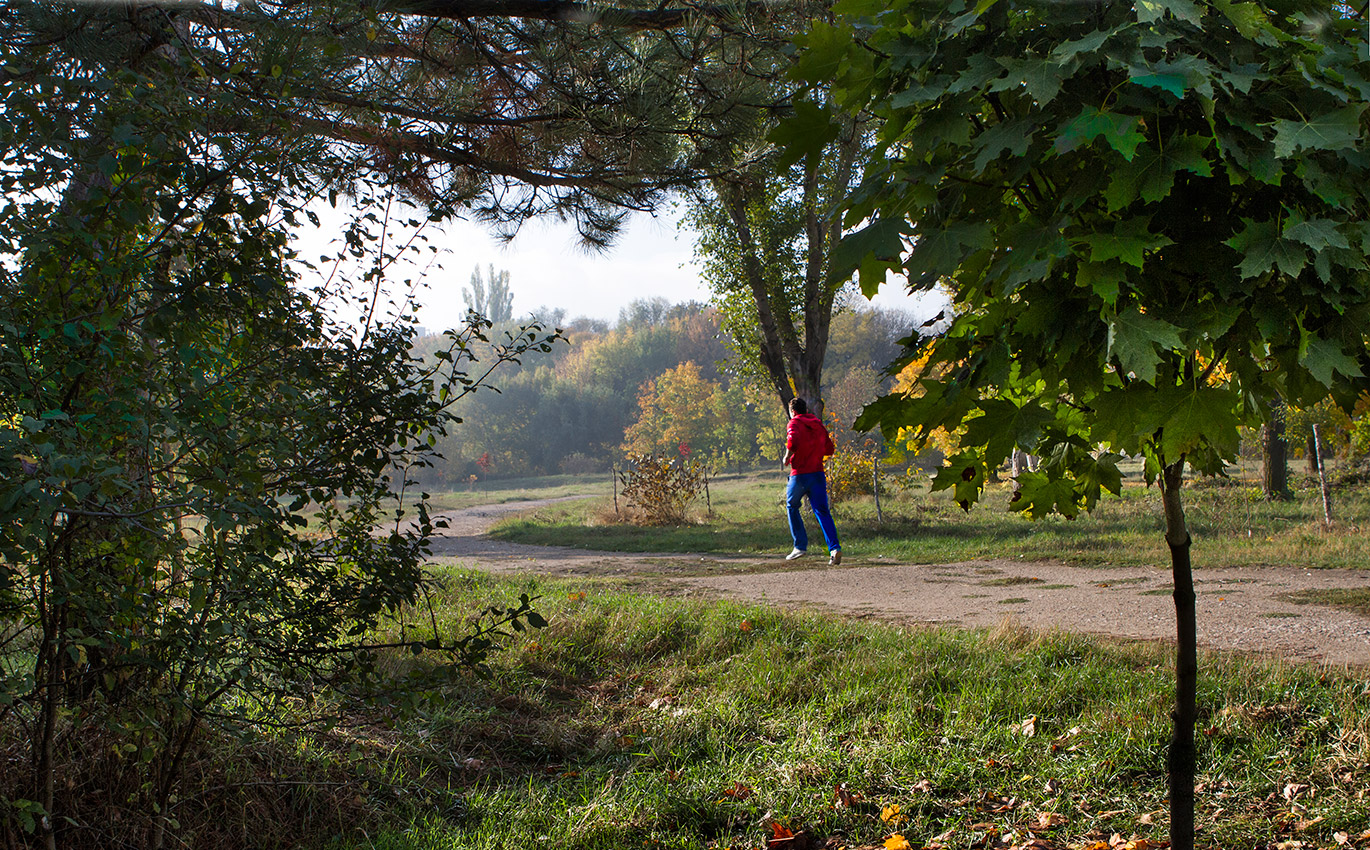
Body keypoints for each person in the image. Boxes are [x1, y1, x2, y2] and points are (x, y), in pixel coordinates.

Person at [781, 397, 841, 565]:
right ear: (805, 409)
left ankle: (800, 546)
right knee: (822, 511)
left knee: (792, 506)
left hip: (800, 474)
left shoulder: (794, 423)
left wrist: (787, 456)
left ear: (793, 411)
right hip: (818, 474)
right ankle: (834, 549)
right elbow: (830, 448)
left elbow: (792, 441)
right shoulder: (818, 424)